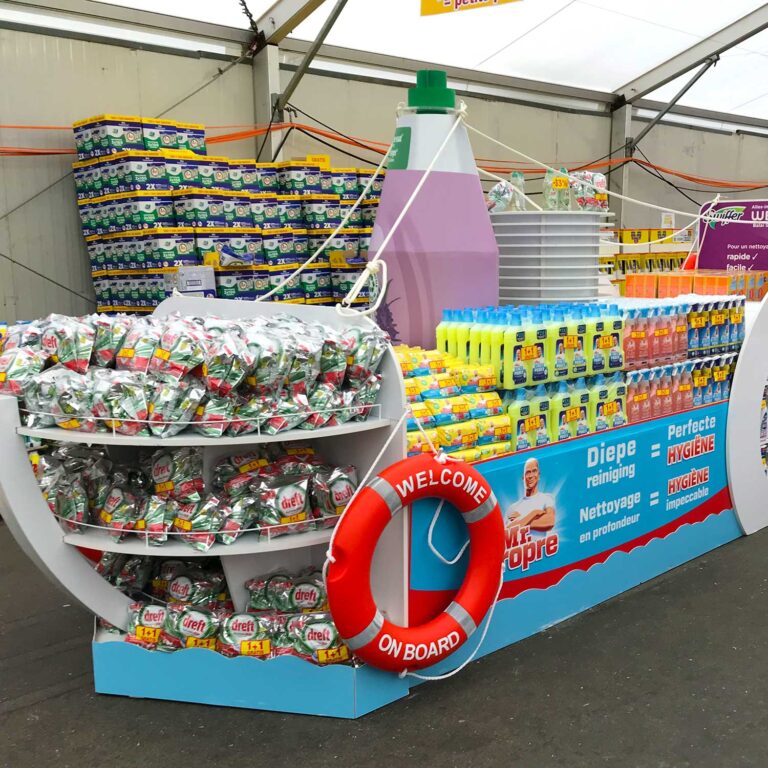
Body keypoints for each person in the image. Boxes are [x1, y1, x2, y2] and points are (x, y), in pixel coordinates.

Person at [507, 458, 556, 533]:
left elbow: (550, 521)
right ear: (523, 478)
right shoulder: (513, 507)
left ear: (539, 475)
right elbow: (508, 530)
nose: (531, 476)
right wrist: (534, 513)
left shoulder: (547, 498)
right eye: (528, 472)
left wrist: (521, 520)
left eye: (534, 471)